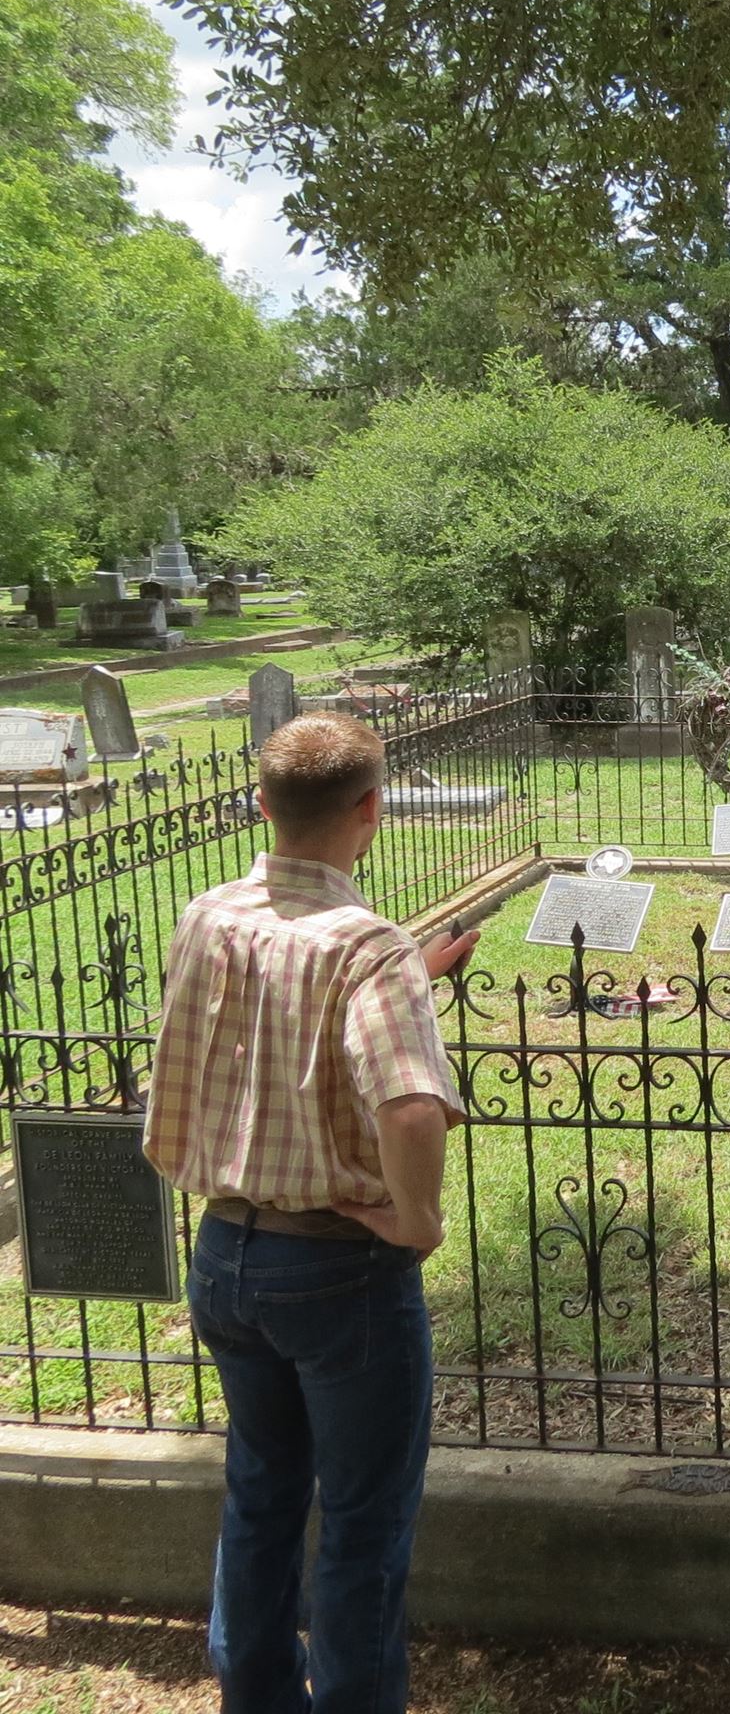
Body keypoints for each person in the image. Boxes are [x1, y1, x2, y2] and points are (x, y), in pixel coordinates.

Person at [144, 711, 479, 1714]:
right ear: (370, 810)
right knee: (364, 1525)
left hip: (225, 1255)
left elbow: (253, 1029)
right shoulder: (367, 947)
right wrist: (416, 1220)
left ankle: (254, 1696)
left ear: (261, 804)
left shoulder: (209, 914)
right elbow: (412, 1103)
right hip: (339, 1269)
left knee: (261, 1493)